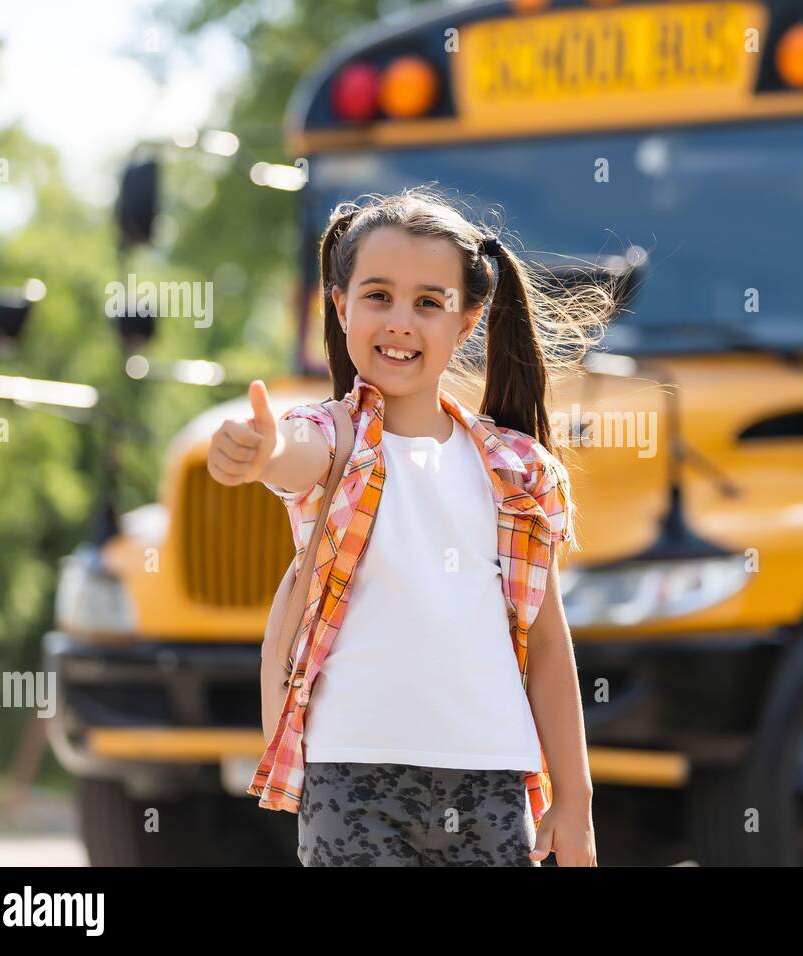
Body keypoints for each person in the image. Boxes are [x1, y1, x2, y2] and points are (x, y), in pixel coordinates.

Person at [206, 187, 613, 866]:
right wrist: (259, 451)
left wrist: (575, 801)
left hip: (491, 783)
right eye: (377, 296)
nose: (400, 321)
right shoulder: (333, 438)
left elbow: (546, 646)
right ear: (338, 306)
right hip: (350, 775)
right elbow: (292, 453)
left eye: (429, 302)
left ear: (469, 320)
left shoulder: (515, 471)